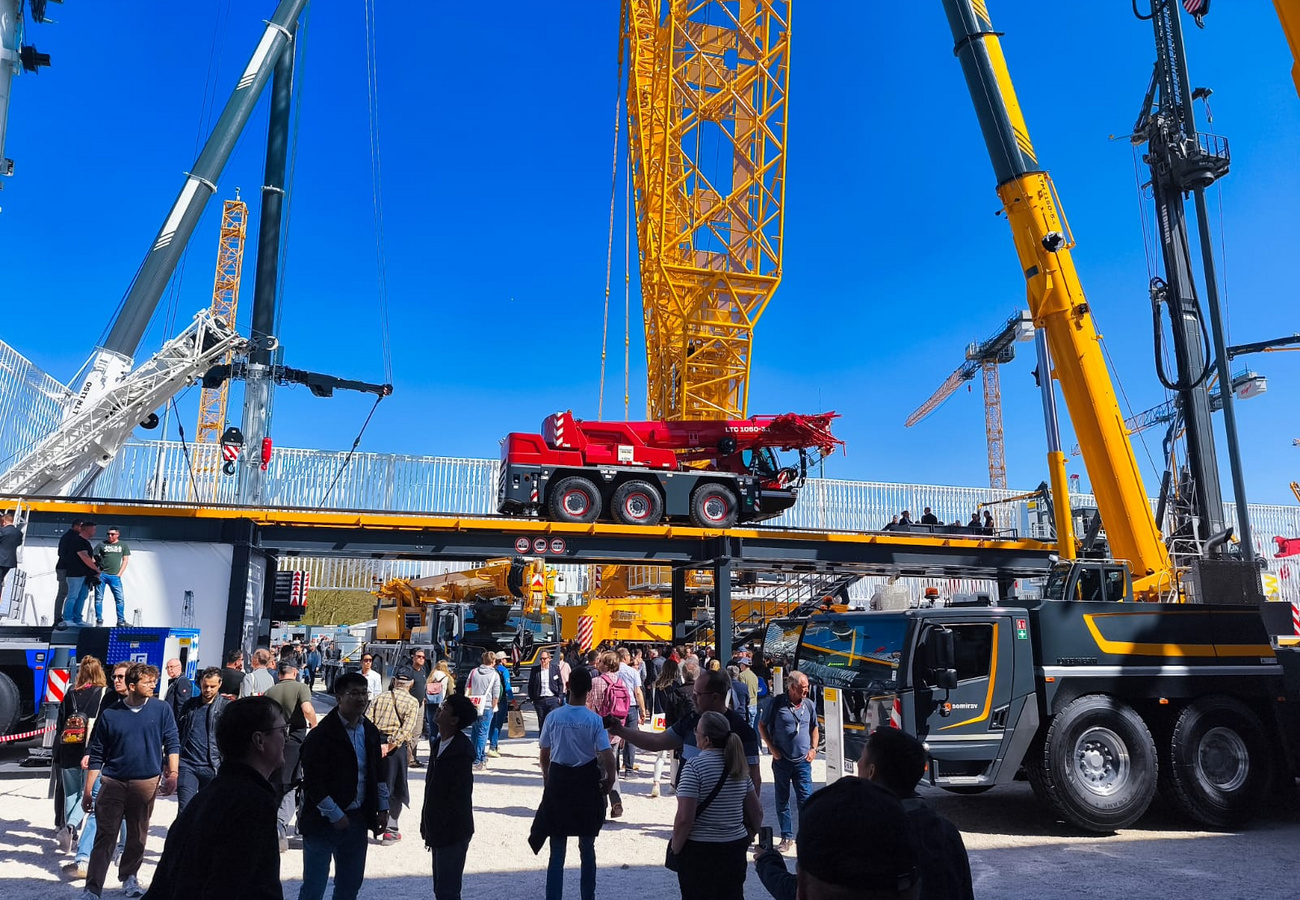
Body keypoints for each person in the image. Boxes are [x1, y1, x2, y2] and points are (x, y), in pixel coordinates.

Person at [141, 696, 287, 900]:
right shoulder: (252, 803)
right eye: (282, 731)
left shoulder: (207, 797)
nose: (285, 739)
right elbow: (232, 885)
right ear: (259, 740)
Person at [82, 662, 179, 899]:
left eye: (154, 681)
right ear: (132, 685)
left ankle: (129, 877)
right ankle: (93, 888)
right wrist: (87, 790)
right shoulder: (111, 714)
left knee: (137, 835)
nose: (152, 685)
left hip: (146, 782)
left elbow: (172, 741)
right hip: (113, 782)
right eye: (147, 682)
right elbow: (97, 755)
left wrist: (173, 773)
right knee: (105, 835)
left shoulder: (161, 709)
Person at [298, 672, 389, 900]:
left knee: (350, 885)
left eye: (364, 693)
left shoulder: (369, 731)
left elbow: (378, 772)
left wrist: (383, 806)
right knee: (314, 887)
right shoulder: (320, 736)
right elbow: (312, 782)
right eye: (354, 693)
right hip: (322, 821)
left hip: (357, 819)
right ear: (339, 697)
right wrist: (335, 814)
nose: (361, 699)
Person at [754, 777, 921, 900]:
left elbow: (788, 888)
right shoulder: (937, 840)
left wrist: (768, 860)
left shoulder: (807, 887)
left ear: (803, 889)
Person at [528, 667, 616, 900]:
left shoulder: (553, 717)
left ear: (567, 687)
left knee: (557, 850)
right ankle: (588, 896)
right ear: (589, 690)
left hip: (559, 781)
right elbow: (607, 755)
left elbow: (544, 753)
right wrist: (610, 780)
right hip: (586, 783)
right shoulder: (595, 720)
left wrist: (547, 779)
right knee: (587, 848)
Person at [859, 727, 974, 900]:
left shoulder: (863, 835)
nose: (858, 763)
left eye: (862, 757)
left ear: (871, 772)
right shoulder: (946, 832)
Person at [611, 667, 761, 796]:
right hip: (691, 808)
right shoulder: (690, 720)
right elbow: (657, 741)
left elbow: (753, 776)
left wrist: (750, 820)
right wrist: (621, 731)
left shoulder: (742, 729)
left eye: (698, 694)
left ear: (716, 697)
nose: (693, 698)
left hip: (725, 814)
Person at [671, 711, 764, 900]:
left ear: (706, 739)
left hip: (700, 849)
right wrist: (749, 835)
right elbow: (757, 813)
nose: (695, 734)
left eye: (697, 731)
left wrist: (676, 847)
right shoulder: (738, 768)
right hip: (734, 847)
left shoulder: (694, 767)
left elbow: (684, 818)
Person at [65, 662, 130, 880]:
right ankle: (82, 859)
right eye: (114, 677)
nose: (117, 680)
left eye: (121, 676)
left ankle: (123, 850)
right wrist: (90, 752)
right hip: (107, 765)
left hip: (132, 769)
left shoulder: (146, 703)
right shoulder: (109, 698)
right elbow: (99, 731)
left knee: (127, 815)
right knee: (96, 809)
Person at [420, 694, 477, 900]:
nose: (439, 709)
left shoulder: (461, 752)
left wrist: (438, 827)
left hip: (452, 830)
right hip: (437, 827)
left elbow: (458, 798)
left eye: (445, 708)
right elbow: (430, 790)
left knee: (448, 890)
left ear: (454, 720)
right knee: (440, 888)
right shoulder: (438, 744)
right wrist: (426, 822)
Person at [758, 670, 817, 852]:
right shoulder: (776, 704)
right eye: (802, 688)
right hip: (782, 760)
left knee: (806, 800)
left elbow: (814, 727)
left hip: (803, 762)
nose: (806, 691)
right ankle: (786, 837)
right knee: (782, 800)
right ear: (792, 688)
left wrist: (814, 749)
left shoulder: (809, 705)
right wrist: (772, 748)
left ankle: (807, 836)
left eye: (807, 688)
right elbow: (762, 725)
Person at [55, 655, 108, 854]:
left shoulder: (70, 693)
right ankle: (72, 826)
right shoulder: (103, 693)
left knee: (71, 793)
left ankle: (71, 836)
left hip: (68, 747)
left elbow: (60, 723)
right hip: (89, 749)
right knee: (88, 793)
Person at [266, 661, 319, 850]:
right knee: (294, 782)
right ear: (295, 672)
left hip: (274, 739)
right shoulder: (301, 687)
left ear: (279, 674)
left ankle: (273, 824)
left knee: (277, 782)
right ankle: (281, 825)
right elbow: (307, 709)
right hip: (295, 739)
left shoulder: (270, 691)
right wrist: (315, 726)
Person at [366, 666, 421, 844]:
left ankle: (371, 821)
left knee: (374, 783)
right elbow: (407, 729)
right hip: (396, 749)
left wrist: (377, 744)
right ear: (411, 683)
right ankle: (391, 828)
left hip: (375, 744)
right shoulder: (413, 702)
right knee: (395, 787)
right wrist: (390, 745)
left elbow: (367, 722)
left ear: (395, 681)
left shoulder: (379, 698)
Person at [176, 667, 231, 813]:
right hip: (188, 764)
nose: (208, 689)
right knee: (185, 809)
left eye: (212, 686)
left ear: (220, 684)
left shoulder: (226, 707)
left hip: (213, 766)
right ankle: (183, 836)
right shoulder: (189, 705)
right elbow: (178, 732)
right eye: (205, 685)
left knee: (209, 811)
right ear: (200, 683)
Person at [649, 658, 691, 798]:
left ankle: (656, 783)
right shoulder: (676, 685)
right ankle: (673, 785)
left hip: (658, 718)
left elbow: (652, 703)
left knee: (660, 755)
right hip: (671, 720)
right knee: (674, 756)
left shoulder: (657, 684)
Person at [60, 520, 102, 626]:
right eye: (93, 529)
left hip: (85, 574)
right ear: (86, 529)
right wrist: (96, 569)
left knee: (82, 596)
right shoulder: (77, 541)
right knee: (73, 596)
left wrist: (94, 569)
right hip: (75, 573)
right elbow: (84, 557)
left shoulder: (86, 542)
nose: (94, 531)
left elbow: (90, 557)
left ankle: (77, 618)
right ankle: (67, 618)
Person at [465, 651, 500, 770]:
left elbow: (467, 688)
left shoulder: (473, 672)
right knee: (482, 733)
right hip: (487, 705)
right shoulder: (495, 675)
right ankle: (478, 759)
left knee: (475, 731)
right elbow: (496, 695)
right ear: (494, 661)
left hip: (473, 704)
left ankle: (475, 755)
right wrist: (494, 706)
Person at [615, 647, 647, 778]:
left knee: (615, 738)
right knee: (631, 738)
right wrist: (643, 710)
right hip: (631, 706)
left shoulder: (613, 671)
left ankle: (615, 769)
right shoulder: (633, 672)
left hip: (616, 707)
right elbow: (638, 692)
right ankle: (629, 770)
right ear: (624, 657)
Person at [91, 527, 130, 628]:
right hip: (102, 575)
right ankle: (99, 618)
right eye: (108, 534)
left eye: (112, 534)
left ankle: (121, 620)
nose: (110, 536)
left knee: (120, 598)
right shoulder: (101, 544)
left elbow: (125, 560)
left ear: (118, 535)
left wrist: (119, 574)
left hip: (115, 576)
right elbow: (93, 558)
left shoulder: (122, 545)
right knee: (99, 598)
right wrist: (96, 571)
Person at [528, 648, 565, 733]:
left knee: (553, 722)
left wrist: (560, 697)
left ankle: (553, 742)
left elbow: (560, 683)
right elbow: (531, 685)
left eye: (544, 659)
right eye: (541, 659)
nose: (543, 661)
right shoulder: (535, 670)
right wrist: (532, 699)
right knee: (542, 723)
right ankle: (543, 743)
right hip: (540, 700)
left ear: (549, 659)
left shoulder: (555, 669)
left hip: (552, 699)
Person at [487, 650, 513, 757]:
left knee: (492, 723)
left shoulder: (492, 670)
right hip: (501, 700)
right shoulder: (504, 671)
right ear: (501, 660)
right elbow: (507, 687)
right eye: (505, 658)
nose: (506, 660)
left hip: (491, 699)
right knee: (498, 724)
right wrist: (513, 700)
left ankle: (494, 745)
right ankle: (493, 747)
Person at [407, 649, 430, 766]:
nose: (421, 659)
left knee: (417, 732)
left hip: (421, 705)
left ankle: (413, 757)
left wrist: (424, 697)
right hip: (410, 706)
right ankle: (409, 758)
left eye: (423, 657)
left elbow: (424, 685)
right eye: (419, 657)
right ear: (413, 657)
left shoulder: (423, 671)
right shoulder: (409, 672)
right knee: (409, 732)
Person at [426, 659, 454, 740]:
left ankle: (432, 749)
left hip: (430, 703)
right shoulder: (447, 677)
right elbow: (451, 693)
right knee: (440, 729)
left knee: (432, 729)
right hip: (441, 704)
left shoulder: (431, 676)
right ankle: (439, 749)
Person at [162, 659, 193, 724]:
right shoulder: (174, 682)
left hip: (175, 722)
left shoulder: (183, 681)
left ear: (179, 667)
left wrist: (178, 723)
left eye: (171, 667)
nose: (169, 669)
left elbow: (182, 704)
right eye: (167, 667)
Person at [0, 511, 23, 592]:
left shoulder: (2, 531)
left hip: (1, 560)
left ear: (5, 521)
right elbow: (19, 543)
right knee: (8, 583)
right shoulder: (19, 533)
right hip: (11, 561)